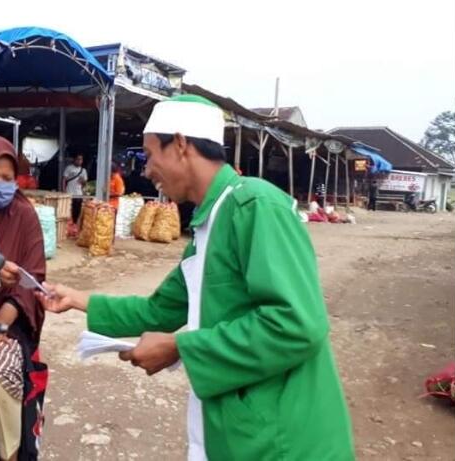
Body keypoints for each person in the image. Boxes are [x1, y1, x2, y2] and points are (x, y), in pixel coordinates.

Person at [38, 94, 354, 460]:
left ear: (182, 144)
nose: (146, 168)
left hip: (284, 437)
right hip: (238, 427)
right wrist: (77, 298)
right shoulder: (210, 221)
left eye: (151, 153)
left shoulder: (254, 207)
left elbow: (296, 323)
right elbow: (160, 311)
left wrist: (179, 347)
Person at [0, 135, 48, 461]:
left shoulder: (23, 214)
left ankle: (10, 453)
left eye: (7, 178)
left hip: (7, 321)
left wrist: (1, 320)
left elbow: (33, 277)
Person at [63, 154, 88, 223]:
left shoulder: (83, 171)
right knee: (70, 209)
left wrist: (82, 181)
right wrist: (63, 190)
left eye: (81, 159)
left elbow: (85, 183)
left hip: (79, 193)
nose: (79, 161)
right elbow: (64, 179)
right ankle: (70, 224)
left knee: (77, 209)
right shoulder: (69, 168)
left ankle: (75, 223)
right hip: (69, 192)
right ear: (75, 160)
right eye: (78, 159)